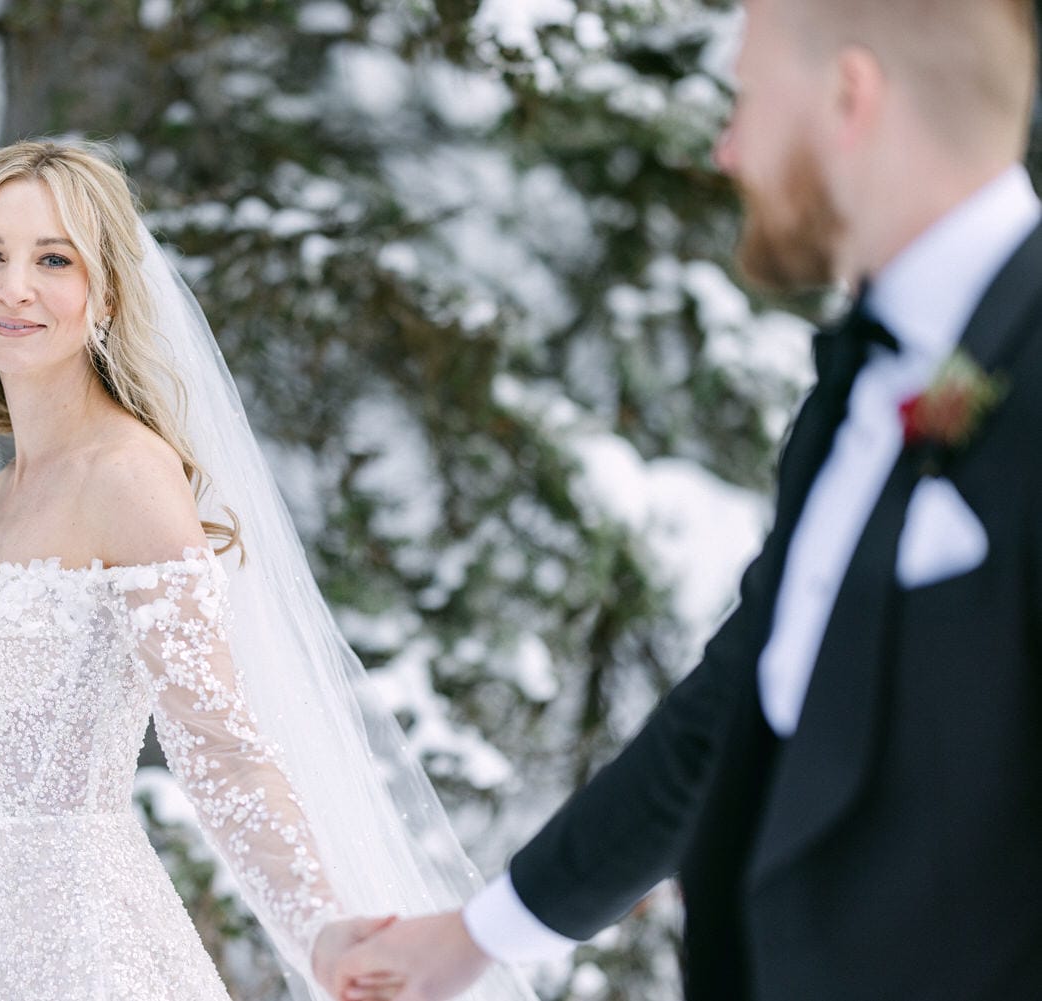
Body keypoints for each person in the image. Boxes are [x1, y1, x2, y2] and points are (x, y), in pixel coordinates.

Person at [325, 1, 1042, 999]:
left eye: (746, 99)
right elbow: (739, 702)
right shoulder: (856, 381)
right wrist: (478, 934)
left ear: (850, 95)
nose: (727, 147)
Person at [0, 139, 538, 1001]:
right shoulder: (3, 492)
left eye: (54, 258)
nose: (14, 286)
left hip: (79, 953)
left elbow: (220, 745)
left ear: (107, 292)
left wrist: (315, 926)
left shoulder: (126, 474)